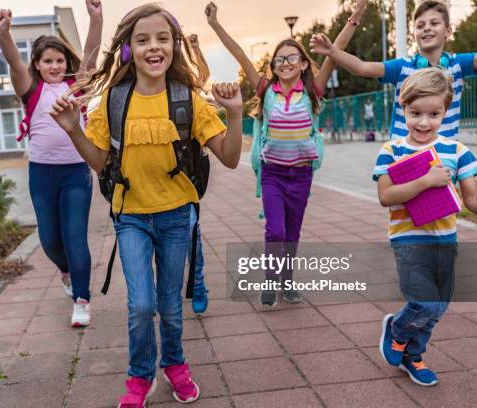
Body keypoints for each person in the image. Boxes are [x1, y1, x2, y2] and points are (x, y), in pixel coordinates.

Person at [49, 4, 243, 406]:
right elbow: (102, 162)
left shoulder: (187, 97)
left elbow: (229, 156)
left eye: (162, 38)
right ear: (127, 50)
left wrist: (236, 113)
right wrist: (73, 131)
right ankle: (140, 375)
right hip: (131, 217)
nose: (153, 47)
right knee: (140, 305)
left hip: (177, 217)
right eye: (142, 40)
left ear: (174, 45)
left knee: (171, 306)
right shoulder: (114, 102)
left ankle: (175, 364)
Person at [205, 0, 367, 305]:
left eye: (292, 57)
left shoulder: (312, 91)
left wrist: (355, 17)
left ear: (304, 63)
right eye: (279, 59)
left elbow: (335, 50)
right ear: (274, 66)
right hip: (273, 175)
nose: (286, 62)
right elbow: (240, 54)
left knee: (292, 234)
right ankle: (270, 279)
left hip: (302, 175)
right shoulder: (266, 89)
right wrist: (215, 25)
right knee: (275, 230)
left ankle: (288, 279)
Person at [0, 0, 103, 327]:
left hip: (75, 173)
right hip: (41, 175)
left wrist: (95, 18)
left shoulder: (77, 87)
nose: (55, 66)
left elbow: (93, 55)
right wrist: (3, 34)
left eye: (59, 60)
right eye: (47, 61)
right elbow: (14, 62)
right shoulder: (30, 90)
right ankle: (66, 272)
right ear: (38, 65)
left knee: (75, 237)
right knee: (51, 242)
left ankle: (81, 300)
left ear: (65, 62)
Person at [373, 68, 477, 386]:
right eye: (415, 113)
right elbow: (386, 196)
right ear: (403, 108)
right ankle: (396, 330)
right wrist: (426, 181)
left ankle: (413, 355)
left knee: (439, 306)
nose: (423, 122)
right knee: (425, 302)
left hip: (445, 239)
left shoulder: (458, 152)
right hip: (408, 240)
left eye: (433, 114)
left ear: (445, 110)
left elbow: (472, 199)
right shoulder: (391, 151)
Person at [310, 0, 477, 140]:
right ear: (414, 34)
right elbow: (361, 67)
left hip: (445, 151)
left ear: (448, 31)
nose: (426, 28)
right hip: (405, 152)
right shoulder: (402, 67)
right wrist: (331, 51)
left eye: (434, 23)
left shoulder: (458, 64)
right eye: (420, 25)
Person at [187, 33, 209, 315]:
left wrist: (195, 47)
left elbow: (202, 74)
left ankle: (199, 283)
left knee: (193, 238)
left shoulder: (185, 91)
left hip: (187, 179)